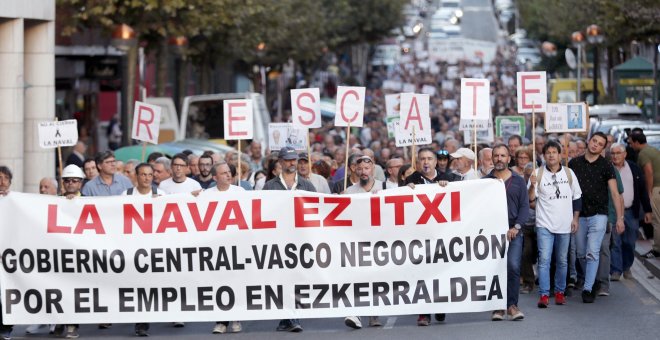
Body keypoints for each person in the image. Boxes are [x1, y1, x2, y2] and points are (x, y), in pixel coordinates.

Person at [263, 146, 315, 332]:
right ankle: (288, 317)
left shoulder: (307, 185)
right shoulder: (270, 186)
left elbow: (317, 207)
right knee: (282, 278)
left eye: (295, 159)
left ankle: (291, 317)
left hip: (301, 239)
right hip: (279, 239)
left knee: (296, 277)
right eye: (288, 159)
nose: (293, 163)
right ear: (281, 162)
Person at [568, 132, 623, 303]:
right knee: (580, 252)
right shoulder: (574, 163)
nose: (595, 145)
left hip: (599, 214)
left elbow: (614, 192)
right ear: (589, 141)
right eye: (594, 141)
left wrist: (620, 218)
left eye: (599, 144)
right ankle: (594, 278)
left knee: (593, 252)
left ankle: (588, 288)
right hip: (579, 214)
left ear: (602, 148)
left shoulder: (607, 165)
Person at [528, 141, 582, 308]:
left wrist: (575, 218)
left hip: (565, 225)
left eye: (554, 152)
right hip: (544, 224)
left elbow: (577, 197)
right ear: (544, 156)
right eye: (548, 152)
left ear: (560, 155)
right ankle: (544, 294)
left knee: (562, 260)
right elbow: (531, 200)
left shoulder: (569, 173)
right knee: (544, 260)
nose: (551, 155)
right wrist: (532, 185)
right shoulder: (537, 173)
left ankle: (560, 292)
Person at [485, 144, 529, 321]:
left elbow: (524, 207)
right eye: (496, 156)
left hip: (513, 231)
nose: (499, 159)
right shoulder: (485, 181)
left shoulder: (518, 181)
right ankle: (497, 308)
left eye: (503, 156)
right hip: (492, 233)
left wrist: (516, 227)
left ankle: (512, 305)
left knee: (512, 266)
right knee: (495, 269)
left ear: (509, 159)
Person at [342, 155, 382, 329]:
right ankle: (355, 313)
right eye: (360, 169)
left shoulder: (384, 187)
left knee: (374, 277)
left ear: (372, 169)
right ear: (355, 171)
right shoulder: (350, 191)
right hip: (356, 240)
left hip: (379, 240)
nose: (363, 172)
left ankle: (374, 313)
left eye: (367, 168)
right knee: (357, 277)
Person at [609, 143, 652, 280]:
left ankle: (626, 267)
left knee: (629, 242)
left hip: (630, 211)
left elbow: (642, 190)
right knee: (615, 242)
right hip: (613, 212)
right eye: (613, 153)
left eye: (618, 153)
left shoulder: (634, 168)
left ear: (625, 154)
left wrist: (647, 210)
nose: (615, 156)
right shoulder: (607, 168)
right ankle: (616, 270)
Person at [629, 133, 660, 257]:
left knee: (656, 220)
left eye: (631, 143)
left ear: (637, 142)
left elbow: (648, 172)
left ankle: (657, 249)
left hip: (656, 189)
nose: (631, 146)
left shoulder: (643, 154)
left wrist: (649, 192)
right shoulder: (653, 149)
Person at [0, 166, 14, 340]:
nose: (1, 181)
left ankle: (6, 327)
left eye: (5, 178)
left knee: (8, 294)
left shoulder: (16, 201)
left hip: (10, 256)